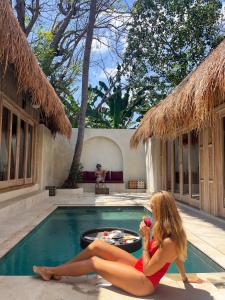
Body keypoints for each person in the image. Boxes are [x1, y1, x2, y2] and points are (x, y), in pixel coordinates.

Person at [33, 191, 203, 297]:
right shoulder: (167, 230)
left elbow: (149, 270)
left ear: (162, 210)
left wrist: (145, 240)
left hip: (144, 283)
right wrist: (185, 278)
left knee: (95, 263)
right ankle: (62, 270)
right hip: (139, 270)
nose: (151, 210)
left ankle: (50, 271)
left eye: (153, 208)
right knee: (97, 245)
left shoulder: (169, 241)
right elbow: (179, 258)